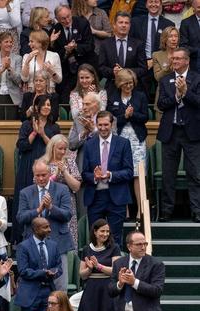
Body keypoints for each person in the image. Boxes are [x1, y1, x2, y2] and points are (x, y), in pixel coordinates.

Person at [156, 47, 200, 222]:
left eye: (178, 59)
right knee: (168, 174)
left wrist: (186, 92)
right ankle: (167, 211)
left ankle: (197, 211)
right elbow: (161, 104)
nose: (174, 62)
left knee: (195, 174)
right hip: (171, 132)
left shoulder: (197, 79)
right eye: (173, 59)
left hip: (192, 133)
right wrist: (176, 96)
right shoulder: (166, 80)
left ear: (187, 61)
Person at [16, 160, 73, 292]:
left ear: (50, 173)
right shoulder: (25, 192)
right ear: (33, 175)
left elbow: (67, 214)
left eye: (44, 175)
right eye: (37, 175)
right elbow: (20, 217)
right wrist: (38, 210)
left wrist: (51, 207)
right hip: (33, 245)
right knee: (35, 287)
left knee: (59, 289)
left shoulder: (62, 189)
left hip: (58, 242)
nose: (41, 178)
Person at [82, 111, 134, 248]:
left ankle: (114, 268)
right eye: (100, 125)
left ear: (112, 124)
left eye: (106, 124)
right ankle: (96, 267)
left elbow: (129, 172)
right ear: (96, 125)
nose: (103, 128)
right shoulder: (89, 144)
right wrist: (94, 176)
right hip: (95, 197)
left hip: (116, 198)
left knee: (115, 237)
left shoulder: (123, 143)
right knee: (95, 237)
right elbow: (84, 173)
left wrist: (111, 175)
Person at [12, 94, 61, 242]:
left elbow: (55, 148)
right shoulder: (27, 125)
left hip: (47, 166)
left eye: (49, 105)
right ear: (37, 107)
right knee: (27, 199)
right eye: (44, 104)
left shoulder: (54, 126)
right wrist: (34, 132)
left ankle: (46, 232)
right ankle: (22, 237)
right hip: (28, 164)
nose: (47, 107)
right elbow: (21, 146)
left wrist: (42, 133)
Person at [108, 231, 165, 311]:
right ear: (129, 246)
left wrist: (134, 282)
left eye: (145, 244)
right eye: (139, 244)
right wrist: (119, 284)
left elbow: (157, 291)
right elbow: (110, 291)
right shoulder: (119, 263)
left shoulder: (156, 264)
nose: (143, 247)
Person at [108, 69, 149, 215]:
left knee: (138, 174)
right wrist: (124, 116)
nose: (128, 86)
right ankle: (123, 209)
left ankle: (140, 210)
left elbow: (145, 117)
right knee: (122, 173)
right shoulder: (113, 97)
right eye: (125, 83)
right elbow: (110, 120)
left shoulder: (140, 96)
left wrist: (132, 115)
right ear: (119, 84)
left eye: (131, 83)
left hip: (137, 140)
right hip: (119, 139)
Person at [15, 217, 62, 311]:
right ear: (35, 229)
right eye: (45, 227)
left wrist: (54, 273)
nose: (49, 230)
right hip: (30, 294)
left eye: (49, 226)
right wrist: (42, 273)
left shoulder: (53, 245)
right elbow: (23, 270)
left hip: (48, 292)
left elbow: (59, 267)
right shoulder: (23, 246)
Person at [77, 219, 121, 311]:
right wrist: (90, 269)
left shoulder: (114, 248)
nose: (105, 234)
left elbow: (115, 271)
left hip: (108, 289)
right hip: (91, 289)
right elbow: (82, 274)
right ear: (95, 232)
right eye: (102, 231)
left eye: (107, 231)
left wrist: (98, 266)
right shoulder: (87, 249)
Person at [40, 135, 82, 251]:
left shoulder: (70, 162)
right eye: (60, 148)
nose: (63, 152)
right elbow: (39, 184)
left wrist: (64, 172)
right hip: (48, 202)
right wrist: (55, 173)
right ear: (52, 148)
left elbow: (76, 186)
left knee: (68, 235)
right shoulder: (43, 163)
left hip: (67, 203)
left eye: (65, 149)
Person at [50, 5, 96, 98]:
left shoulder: (82, 23)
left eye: (68, 16)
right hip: (66, 70)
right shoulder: (55, 30)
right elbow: (55, 54)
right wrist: (66, 51)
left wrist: (76, 46)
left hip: (84, 64)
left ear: (71, 12)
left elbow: (90, 46)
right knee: (64, 97)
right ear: (57, 19)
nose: (67, 20)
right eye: (63, 19)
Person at [98, 12, 148, 96]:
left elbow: (143, 69)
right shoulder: (105, 44)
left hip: (133, 88)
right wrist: (112, 71)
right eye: (121, 22)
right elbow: (101, 67)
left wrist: (125, 72)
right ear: (114, 25)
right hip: (112, 88)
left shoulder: (138, 44)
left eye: (126, 23)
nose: (124, 25)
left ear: (130, 26)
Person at [152, 26, 179, 117]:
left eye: (176, 36)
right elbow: (157, 78)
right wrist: (167, 67)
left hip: (180, 98)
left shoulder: (183, 53)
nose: (174, 39)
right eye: (170, 36)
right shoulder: (157, 55)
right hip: (163, 98)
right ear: (164, 39)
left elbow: (188, 76)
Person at [180, 0, 200, 72]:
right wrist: (197, 51)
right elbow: (183, 45)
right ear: (193, 8)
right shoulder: (186, 23)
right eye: (199, 7)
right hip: (195, 64)